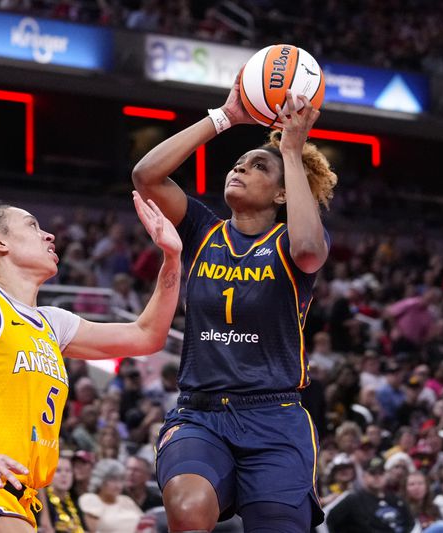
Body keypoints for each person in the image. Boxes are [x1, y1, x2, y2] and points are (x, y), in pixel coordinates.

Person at [0, 194, 182, 532]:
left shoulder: (53, 324)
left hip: (19, 499)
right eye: (33, 226)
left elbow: (146, 335)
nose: (49, 235)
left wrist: (172, 257)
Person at [132, 68, 337, 531]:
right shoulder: (203, 228)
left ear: (283, 192)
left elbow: (309, 251)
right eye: (238, 163)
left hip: (275, 416)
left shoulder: (293, 241)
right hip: (200, 413)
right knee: (186, 506)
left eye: (257, 166)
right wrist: (224, 117)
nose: (239, 168)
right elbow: (146, 175)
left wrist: (289, 149)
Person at [326, 457, 416, 533]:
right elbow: (328, 521)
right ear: (364, 476)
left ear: (386, 475)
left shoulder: (396, 499)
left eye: (381, 473)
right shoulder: (352, 500)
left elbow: (411, 524)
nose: (377, 477)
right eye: (372, 473)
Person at [78, 459, 143, 533]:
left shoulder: (126, 500)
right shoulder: (90, 499)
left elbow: (144, 522)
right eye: (113, 480)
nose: (118, 485)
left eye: (121, 480)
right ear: (100, 480)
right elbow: (94, 530)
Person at [46, 454, 86, 533]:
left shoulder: (75, 500)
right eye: (58, 471)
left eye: (68, 471)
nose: (64, 475)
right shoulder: (42, 503)